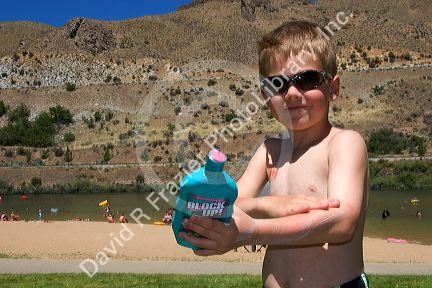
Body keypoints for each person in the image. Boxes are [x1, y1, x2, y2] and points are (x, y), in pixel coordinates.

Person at [179, 20, 369, 288]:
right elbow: (227, 204)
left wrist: (252, 231)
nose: (291, 93)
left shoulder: (343, 144)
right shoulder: (271, 150)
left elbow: (342, 222)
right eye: (277, 84)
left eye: (308, 79)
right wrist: (268, 205)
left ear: (333, 88)